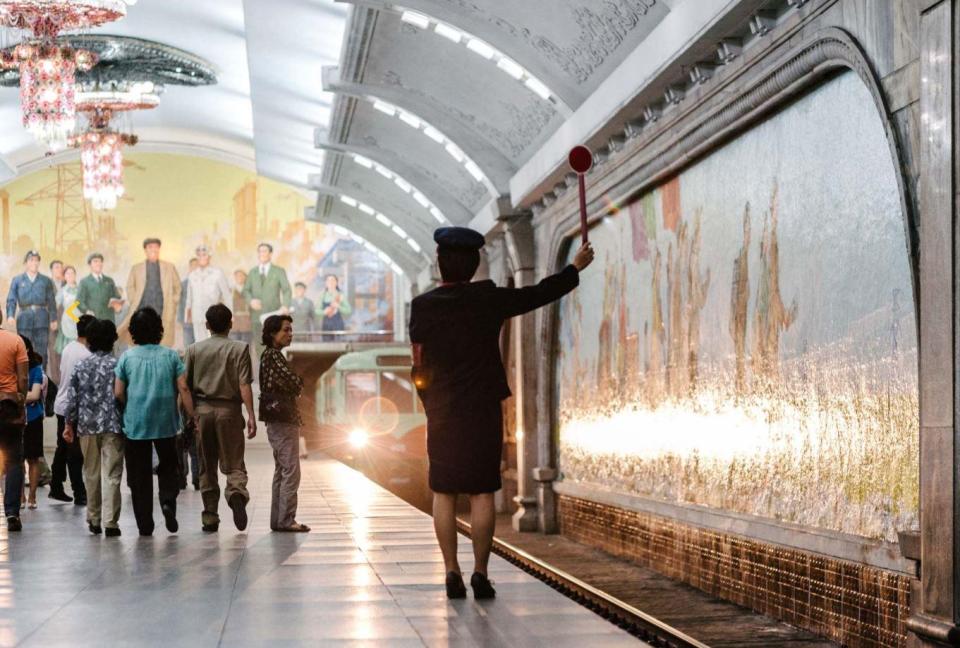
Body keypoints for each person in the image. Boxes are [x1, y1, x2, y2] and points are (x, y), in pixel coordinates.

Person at [409, 226, 594, 600]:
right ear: (476, 263)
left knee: (443, 492)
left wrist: (431, 404)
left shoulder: (423, 305)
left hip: (443, 410)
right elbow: (538, 294)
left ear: (440, 263)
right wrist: (574, 267)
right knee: (481, 491)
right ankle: (480, 572)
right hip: (481, 410)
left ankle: (451, 571)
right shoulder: (487, 298)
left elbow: (418, 364)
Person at [115, 307, 196, 536]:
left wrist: (128, 405)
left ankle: (145, 524)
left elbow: (118, 392)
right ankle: (168, 502)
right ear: (159, 330)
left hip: (136, 423)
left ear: (133, 332)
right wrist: (192, 415)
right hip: (166, 422)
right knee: (169, 466)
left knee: (139, 474)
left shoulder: (127, 357)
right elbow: (183, 386)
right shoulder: (170, 355)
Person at [185, 304, 256, 532]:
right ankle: (236, 493)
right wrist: (251, 415)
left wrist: (190, 415)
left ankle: (210, 517)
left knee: (207, 466)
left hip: (203, 412)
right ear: (231, 324)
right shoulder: (240, 349)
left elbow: (184, 387)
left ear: (206, 325)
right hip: (230, 412)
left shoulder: (194, 349)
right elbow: (244, 385)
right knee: (235, 463)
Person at [63, 320, 124, 537]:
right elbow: (122, 396)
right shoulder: (117, 365)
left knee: (91, 472)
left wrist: (68, 424)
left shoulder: (81, 366)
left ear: (88, 341)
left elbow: (73, 399)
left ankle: (94, 517)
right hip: (112, 425)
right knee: (112, 474)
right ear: (112, 340)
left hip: (86, 427)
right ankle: (110, 522)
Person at [259, 314, 308, 532]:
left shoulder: (271, 356)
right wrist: (298, 382)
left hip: (277, 420)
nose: (290, 334)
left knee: (282, 470)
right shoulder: (273, 356)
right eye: (285, 330)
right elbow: (294, 383)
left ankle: (278, 520)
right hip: (282, 420)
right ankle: (287, 520)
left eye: (290, 330)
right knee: (291, 470)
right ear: (272, 333)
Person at [50, 314, 94, 505]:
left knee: (63, 448)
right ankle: (79, 492)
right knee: (74, 452)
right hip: (73, 407)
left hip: (62, 404)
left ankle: (56, 486)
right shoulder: (86, 354)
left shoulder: (69, 348)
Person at [119, 238, 182, 348]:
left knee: (162, 343)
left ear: (159, 249)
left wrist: (173, 301)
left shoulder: (169, 267)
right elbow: (130, 286)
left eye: (156, 247)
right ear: (145, 250)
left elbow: (178, 287)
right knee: (141, 342)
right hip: (142, 311)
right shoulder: (136, 268)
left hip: (163, 310)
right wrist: (134, 300)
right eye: (150, 247)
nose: (153, 249)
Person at [6, 250, 57, 367]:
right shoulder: (17, 280)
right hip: (24, 320)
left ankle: (42, 380)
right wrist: (10, 315)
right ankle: (26, 380)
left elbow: (51, 301)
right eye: (31, 260)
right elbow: (11, 299)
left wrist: (54, 319)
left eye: (36, 260)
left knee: (42, 352)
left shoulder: (46, 280)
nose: (34, 263)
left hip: (42, 320)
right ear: (26, 263)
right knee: (24, 352)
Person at [0, 327, 29, 531]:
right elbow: (24, 379)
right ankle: (12, 513)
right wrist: (22, 400)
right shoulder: (15, 341)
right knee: (13, 460)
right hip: (9, 405)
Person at [242, 243, 291, 355]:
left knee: (274, 345)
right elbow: (246, 290)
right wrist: (251, 301)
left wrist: (285, 305)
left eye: (265, 251)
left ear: (270, 254)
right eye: (260, 251)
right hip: (257, 316)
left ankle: (274, 370)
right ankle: (262, 370)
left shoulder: (278, 271)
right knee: (259, 346)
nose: (262, 254)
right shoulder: (253, 272)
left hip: (273, 315)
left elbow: (287, 290)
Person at [20, 335, 46, 510]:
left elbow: (35, 395)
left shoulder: (36, 369)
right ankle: (20, 496)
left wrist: (16, 396)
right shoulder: (12, 368)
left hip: (34, 418)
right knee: (17, 459)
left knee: (33, 458)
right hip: (17, 417)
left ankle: (32, 496)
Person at [185, 246, 231, 344]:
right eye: (199, 255)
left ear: (209, 257)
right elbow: (189, 297)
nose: (201, 257)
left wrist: (230, 315)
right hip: (197, 314)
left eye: (204, 255)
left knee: (214, 342)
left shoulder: (217, 273)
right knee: (199, 342)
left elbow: (227, 295)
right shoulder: (192, 275)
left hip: (213, 315)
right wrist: (187, 315)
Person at [77, 253, 123, 323]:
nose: (99, 263)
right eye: (95, 261)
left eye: (100, 261)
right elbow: (79, 301)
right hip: (93, 320)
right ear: (90, 265)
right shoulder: (84, 282)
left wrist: (118, 305)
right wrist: (86, 311)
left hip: (109, 320)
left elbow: (116, 297)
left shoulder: (109, 280)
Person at [54, 266, 80, 356]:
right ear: (64, 276)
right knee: (68, 353)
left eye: (72, 273)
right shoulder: (62, 291)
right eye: (68, 273)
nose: (70, 275)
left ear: (75, 275)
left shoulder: (81, 290)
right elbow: (55, 306)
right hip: (67, 323)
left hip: (80, 321)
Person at [319, 274, 351, 341]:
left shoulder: (341, 295)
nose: (330, 282)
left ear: (336, 282)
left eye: (333, 280)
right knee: (326, 346)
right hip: (326, 325)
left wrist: (338, 306)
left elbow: (348, 311)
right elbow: (316, 311)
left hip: (338, 324)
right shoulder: (322, 296)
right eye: (328, 280)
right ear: (326, 283)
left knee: (339, 346)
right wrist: (324, 312)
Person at [48, 259, 64, 383]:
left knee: (65, 354)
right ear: (52, 270)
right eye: (56, 267)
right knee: (54, 353)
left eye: (61, 267)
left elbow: (75, 303)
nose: (59, 269)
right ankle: (55, 382)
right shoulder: (47, 284)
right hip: (52, 323)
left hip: (67, 325)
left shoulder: (68, 284)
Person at [178, 257, 199, 349]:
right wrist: (180, 319)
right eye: (193, 266)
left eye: (197, 266)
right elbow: (180, 303)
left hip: (201, 321)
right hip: (187, 321)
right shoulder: (183, 284)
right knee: (188, 346)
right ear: (189, 268)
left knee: (201, 346)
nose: (195, 268)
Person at [230, 270, 252, 344]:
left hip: (247, 323)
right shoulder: (230, 291)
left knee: (246, 346)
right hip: (234, 323)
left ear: (245, 277)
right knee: (234, 346)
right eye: (237, 276)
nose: (239, 277)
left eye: (241, 275)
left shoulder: (250, 291)